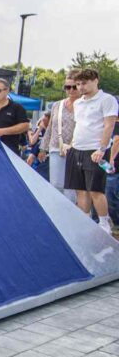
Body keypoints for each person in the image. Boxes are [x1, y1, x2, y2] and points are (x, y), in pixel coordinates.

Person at [66, 68, 119, 233]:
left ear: (95, 80)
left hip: (96, 151)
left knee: (96, 189)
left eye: (84, 83)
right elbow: (79, 125)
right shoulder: (78, 102)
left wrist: (102, 149)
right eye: (78, 83)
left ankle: (104, 223)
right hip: (76, 149)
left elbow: (109, 126)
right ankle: (85, 221)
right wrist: (70, 144)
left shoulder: (107, 99)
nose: (81, 87)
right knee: (80, 190)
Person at [38, 73, 80, 199]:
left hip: (77, 149)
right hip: (57, 147)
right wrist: (42, 148)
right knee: (56, 184)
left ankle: (70, 214)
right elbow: (50, 127)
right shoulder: (57, 105)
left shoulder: (85, 105)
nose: (71, 90)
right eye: (68, 87)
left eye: (74, 87)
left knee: (72, 188)